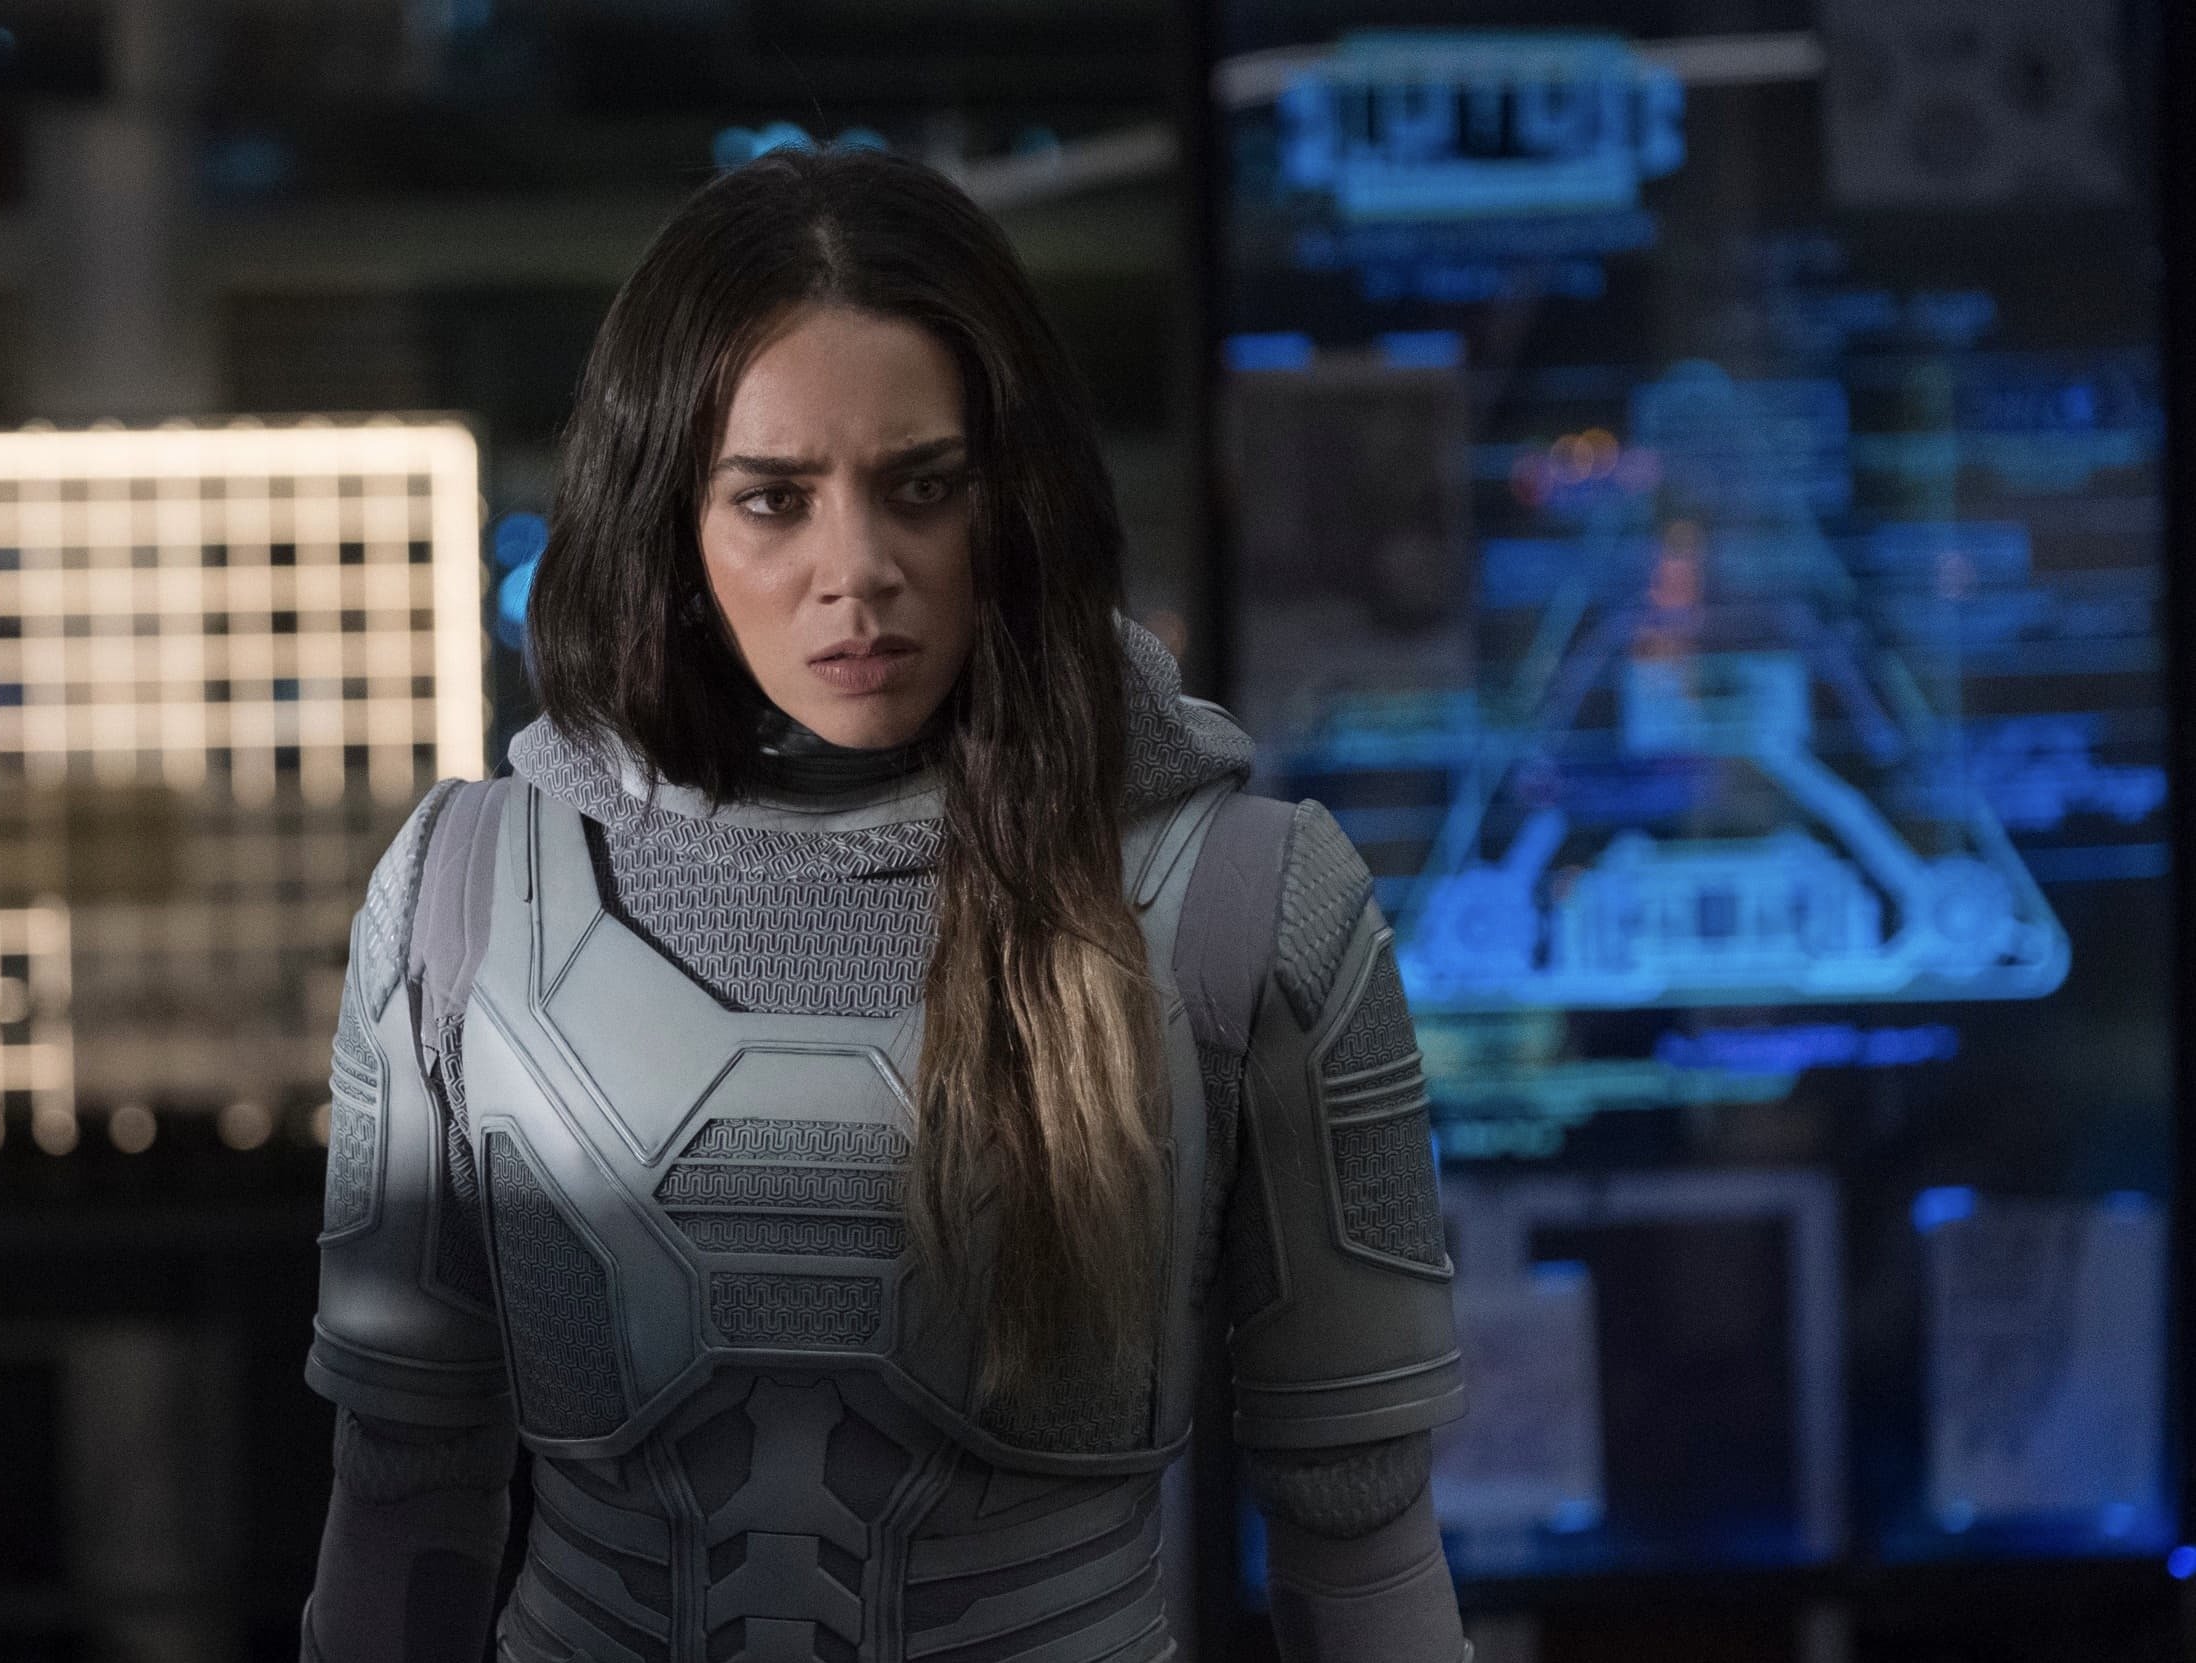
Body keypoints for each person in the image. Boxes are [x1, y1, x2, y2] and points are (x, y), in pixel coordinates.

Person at [300, 145, 1468, 1663]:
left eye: (924, 488)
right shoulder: (459, 901)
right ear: (669, 521)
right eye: (773, 500)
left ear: (1015, 502)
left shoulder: (1256, 907)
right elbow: (402, 1499)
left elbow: (1361, 1528)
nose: (855, 572)